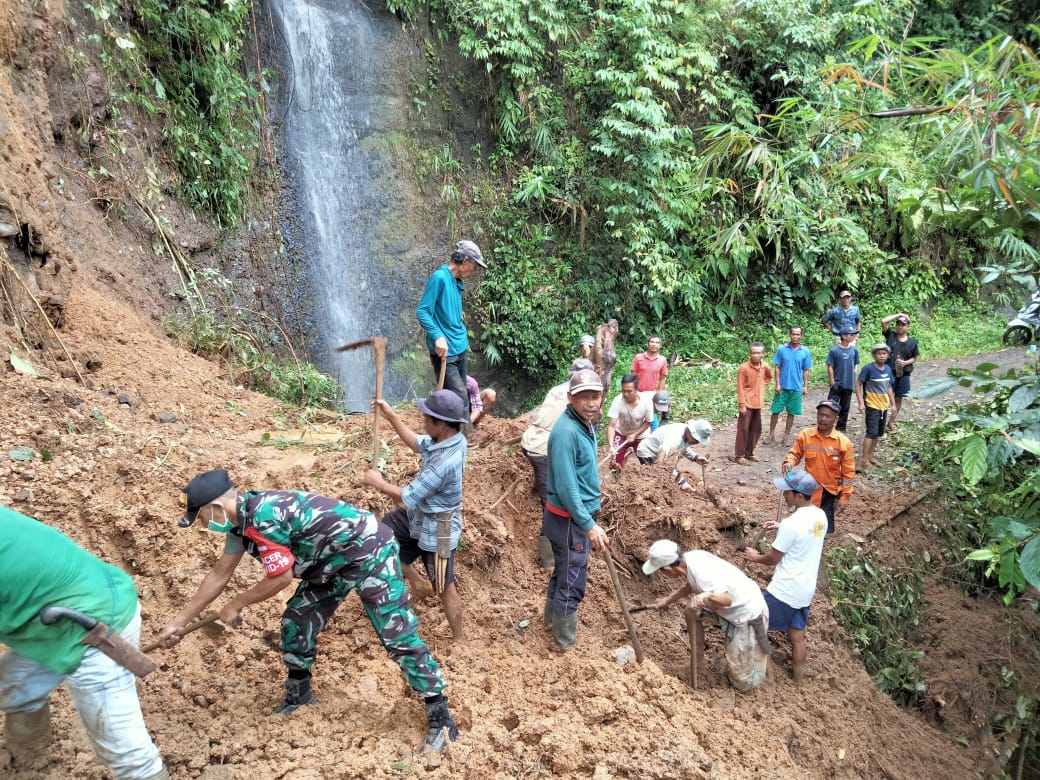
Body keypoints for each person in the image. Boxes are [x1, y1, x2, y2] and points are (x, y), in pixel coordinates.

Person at [159, 470, 459, 753]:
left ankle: (439, 716)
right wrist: (178, 622)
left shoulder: (265, 516)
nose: (203, 525)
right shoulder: (240, 525)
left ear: (215, 507)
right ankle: (299, 694)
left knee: (396, 633)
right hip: (330, 561)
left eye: (201, 518)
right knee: (297, 620)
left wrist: (237, 603)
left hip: (369, 551)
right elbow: (219, 575)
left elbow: (281, 577)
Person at [0, 506, 167, 780]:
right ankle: (29, 763)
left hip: (93, 626)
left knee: (128, 755)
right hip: (54, 620)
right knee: (13, 684)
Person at [363, 390, 468, 641]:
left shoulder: (446, 462)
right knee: (378, 540)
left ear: (441, 424)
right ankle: (417, 582)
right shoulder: (449, 437)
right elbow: (416, 442)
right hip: (419, 516)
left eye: (427, 417)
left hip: (441, 527)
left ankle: (459, 639)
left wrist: (377, 482)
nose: (423, 420)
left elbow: (408, 496)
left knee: (444, 587)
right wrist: (390, 416)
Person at [643, 540, 771, 691]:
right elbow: (690, 585)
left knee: (741, 681)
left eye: (660, 571)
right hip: (733, 607)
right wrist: (667, 600)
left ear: (667, 568)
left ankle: (752, 682)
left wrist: (707, 596)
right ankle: (698, 661)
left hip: (748, 614)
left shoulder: (702, 573)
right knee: (691, 612)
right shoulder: (689, 560)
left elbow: (727, 600)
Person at [542, 368, 610, 651]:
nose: (591, 402)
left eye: (595, 396)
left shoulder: (585, 422)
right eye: (584, 397)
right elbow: (569, 489)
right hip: (570, 519)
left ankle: (550, 623)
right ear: (570, 397)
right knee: (572, 580)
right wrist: (588, 525)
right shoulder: (567, 432)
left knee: (563, 570)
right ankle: (565, 644)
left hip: (573, 518)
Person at [743, 470, 827, 684]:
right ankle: (798, 681)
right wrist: (781, 527)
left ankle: (769, 679)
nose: (784, 496)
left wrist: (754, 557)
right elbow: (805, 532)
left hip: (784, 591)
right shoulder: (820, 517)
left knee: (756, 625)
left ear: (799, 495)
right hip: (805, 592)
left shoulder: (792, 524)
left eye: (788, 493)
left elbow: (772, 558)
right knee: (797, 636)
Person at [416, 239, 486, 411]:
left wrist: (457, 315)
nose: (474, 271)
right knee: (459, 399)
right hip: (445, 351)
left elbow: (445, 305)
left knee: (460, 398)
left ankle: (457, 435)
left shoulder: (456, 281)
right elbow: (423, 311)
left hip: (459, 346)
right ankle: (463, 437)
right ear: (465, 261)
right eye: (474, 266)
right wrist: (438, 336)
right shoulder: (439, 278)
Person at [782, 399, 855, 535]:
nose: (822, 419)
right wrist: (789, 461)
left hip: (829, 491)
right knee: (802, 525)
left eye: (827, 416)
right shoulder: (806, 435)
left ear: (836, 419)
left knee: (820, 529)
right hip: (807, 490)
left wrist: (844, 497)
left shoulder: (843, 443)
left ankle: (816, 547)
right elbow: (795, 453)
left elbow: (849, 473)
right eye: (820, 414)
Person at [635, 419, 713, 492]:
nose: (696, 442)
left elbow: (683, 446)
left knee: (664, 474)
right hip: (648, 453)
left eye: (698, 441)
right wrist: (682, 482)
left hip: (658, 452)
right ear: (691, 431)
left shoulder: (685, 431)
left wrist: (695, 457)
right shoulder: (675, 439)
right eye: (695, 439)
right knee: (654, 477)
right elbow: (663, 464)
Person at [766, 326, 813, 447]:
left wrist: (805, 386)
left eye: (798, 334)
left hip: (796, 387)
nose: (795, 337)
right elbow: (777, 366)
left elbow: (806, 369)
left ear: (801, 336)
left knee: (791, 412)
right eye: (793, 334)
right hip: (782, 387)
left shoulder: (805, 351)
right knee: (775, 411)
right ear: (789, 335)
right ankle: (771, 434)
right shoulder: (782, 349)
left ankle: (786, 436)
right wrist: (777, 383)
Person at [855, 344, 896, 469]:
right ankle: (864, 459)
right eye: (879, 353)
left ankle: (870, 456)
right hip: (872, 404)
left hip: (884, 406)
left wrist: (893, 404)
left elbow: (889, 387)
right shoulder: (868, 369)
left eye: (884, 353)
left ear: (888, 356)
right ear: (874, 355)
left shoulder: (888, 369)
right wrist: (861, 402)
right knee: (871, 432)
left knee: (878, 433)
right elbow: (858, 384)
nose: (882, 356)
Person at [733, 341, 773, 465]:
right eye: (753, 353)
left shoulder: (765, 366)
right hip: (747, 402)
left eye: (758, 353)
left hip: (758, 403)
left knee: (756, 429)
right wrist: (742, 404)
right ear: (750, 353)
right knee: (743, 429)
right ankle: (739, 455)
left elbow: (769, 377)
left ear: (763, 354)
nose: (755, 355)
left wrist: (761, 385)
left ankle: (749, 453)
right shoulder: (744, 368)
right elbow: (740, 387)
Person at [606, 374, 654, 468]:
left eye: (629, 391)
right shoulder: (617, 401)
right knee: (615, 464)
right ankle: (617, 479)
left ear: (636, 390)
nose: (625, 394)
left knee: (648, 462)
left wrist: (635, 435)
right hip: (621, 433)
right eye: (623, 391)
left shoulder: (646, 402)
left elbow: (648, 422)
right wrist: (611, 446)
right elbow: (612, 426)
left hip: (641, 435)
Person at [881, 313, 919, 431]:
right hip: (888, 373)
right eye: (898, 324)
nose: (900, 327)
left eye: (903, 325)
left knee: (899, 398)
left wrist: (905, 363)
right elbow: (883, 321)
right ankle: (880, 423)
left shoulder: (912, 342)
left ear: (907, 327)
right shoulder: (891, 336)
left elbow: (914, 357)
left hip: (904, 374)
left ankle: (891, 421)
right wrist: (899, 315)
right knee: (885, 398)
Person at [825, 326, 859, 432]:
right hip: (837, 383)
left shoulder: (854, 350)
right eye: (851, 334)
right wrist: (832, 382)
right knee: (830, 406)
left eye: (854, 334)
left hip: (848, 384)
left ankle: (840, 429)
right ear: (844, 336)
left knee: (845, 408)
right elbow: (830, 366)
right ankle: (826, 427)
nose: (854, 336)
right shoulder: (834, 350)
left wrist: (854, 383)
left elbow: (855, 367)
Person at [591, 318, 619, 395]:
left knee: (604, 387)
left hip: (607, 369)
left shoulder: (612, 334)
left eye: (615, 327)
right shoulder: (603, 330)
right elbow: (599, 348)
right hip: (599, 367)